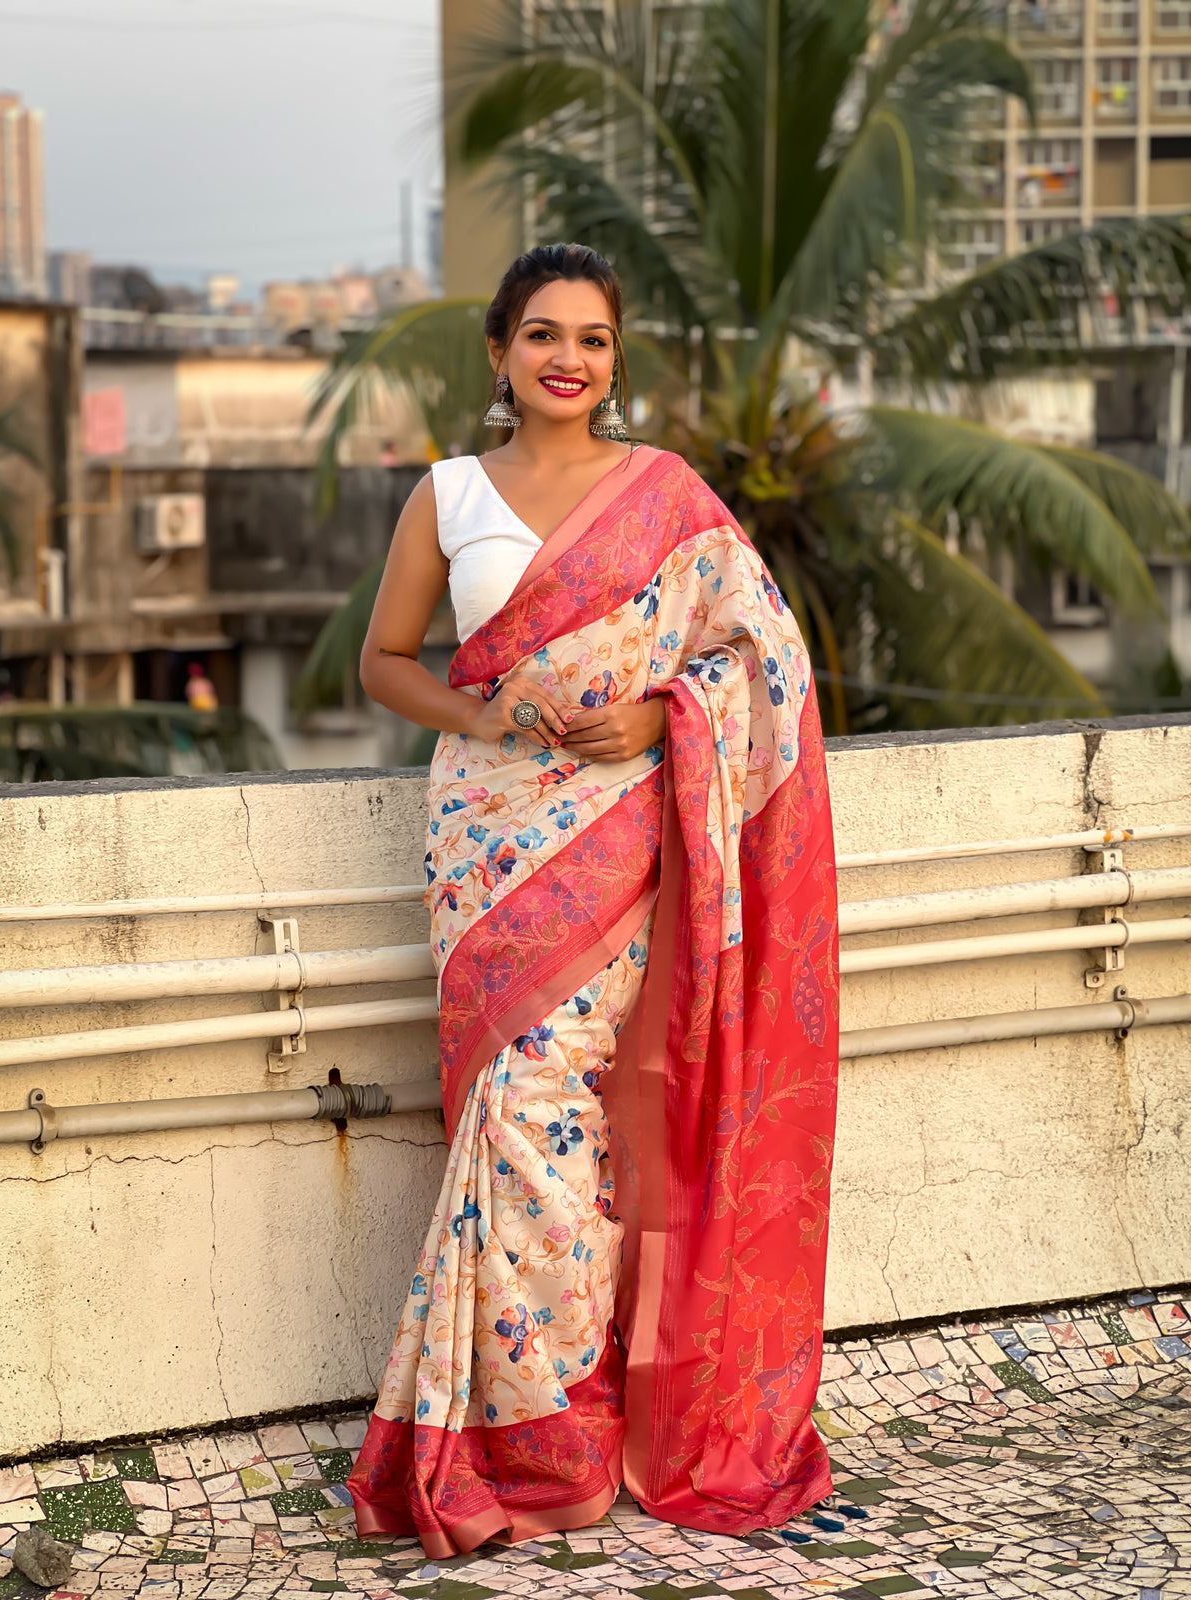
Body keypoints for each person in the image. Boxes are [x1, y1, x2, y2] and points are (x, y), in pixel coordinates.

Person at [348, 243, 839, 1556]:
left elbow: (762, 657)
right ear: (501, 351)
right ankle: (524, 1434)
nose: (570, 358)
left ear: (613, 362)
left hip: (617, 840)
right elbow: (383, 663)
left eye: (595, 340)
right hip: (483, 840)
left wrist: (665, 714)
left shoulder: (667, 499)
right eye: (544, 334)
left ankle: (559, 1432)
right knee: (505, 1118)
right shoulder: (448, 497)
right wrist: (486, 711)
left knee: (555, 1119)